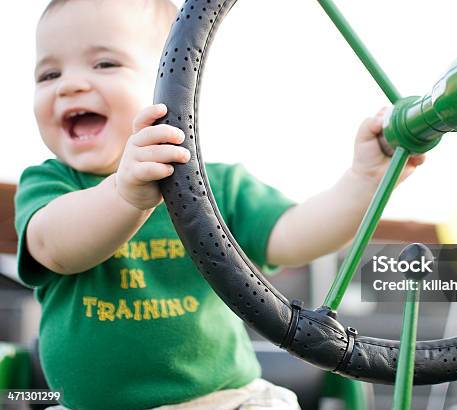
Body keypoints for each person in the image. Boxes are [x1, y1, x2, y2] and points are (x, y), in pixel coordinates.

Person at [15, 1, 425, 409]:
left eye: (104, 64)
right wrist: (123, 194)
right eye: (48, 74)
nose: (68, 85)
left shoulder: (212, 185)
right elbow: (54, 247)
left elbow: (293, 235)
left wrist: (363, 183)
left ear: (173, 83)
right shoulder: (51, 184)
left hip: (224, 399)